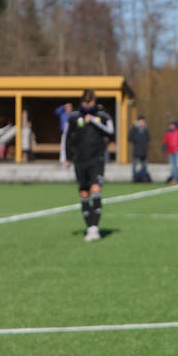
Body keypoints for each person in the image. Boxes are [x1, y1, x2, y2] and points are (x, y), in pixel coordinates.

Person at [64, 89, 115, 242]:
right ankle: (89, 227)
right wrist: (67, 157)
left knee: (96, 189)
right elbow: (67, 138)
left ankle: (94, 228)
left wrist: (92, 121)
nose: (87, 104)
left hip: (96, 159)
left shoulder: (102, 116)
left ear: (94, 101)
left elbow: (111, 133)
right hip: (80, 160)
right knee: (84, 193)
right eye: (84, 102)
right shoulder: (73, 117)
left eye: (90, 101)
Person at [128, 115, 151, 182]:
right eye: (141, 121)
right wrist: (137, 139)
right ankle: (134, 178)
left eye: (143, 121)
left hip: (143, 150)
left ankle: (144, 178)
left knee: (144, 165)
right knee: (135, 164)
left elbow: (148, 138)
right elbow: (129, 138)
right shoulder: (134, 129)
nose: (142, 123)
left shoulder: (145, 129)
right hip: (137, 150)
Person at [162, 119, 178, 183]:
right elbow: (165, 141)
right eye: (170, 125)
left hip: (177, 151)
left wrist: (176, 122)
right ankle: (174, 178)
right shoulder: (167, 133)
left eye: (173, 125)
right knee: (173, 166)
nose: (171, 126)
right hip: (170, 151)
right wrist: (164, 147)